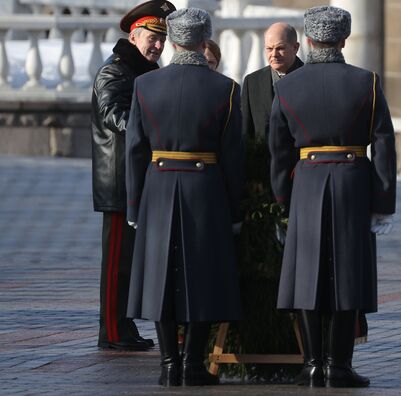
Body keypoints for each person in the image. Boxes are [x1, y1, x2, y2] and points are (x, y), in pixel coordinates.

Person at [269, 6, 396, 388]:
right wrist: (383, 201)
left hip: (306, 181)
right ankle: (339, 365)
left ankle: (312, 364)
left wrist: (282, 198)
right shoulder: (367, 82)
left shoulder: (287, 86)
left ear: (307, 41)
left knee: (306, 275)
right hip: (353, 181)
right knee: (348, 273)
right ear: (343, 40)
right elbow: (384, 145)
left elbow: (279, 149)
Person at [125, 7, 243, 387]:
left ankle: (168, 364)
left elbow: (135, 150)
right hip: (204, 186)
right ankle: (193, 363)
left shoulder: (146, 86)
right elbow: (232, 156)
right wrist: (235, 208)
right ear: (204, 41)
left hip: (158, 187)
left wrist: (133, 205)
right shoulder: (225, 89)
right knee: (203, 276)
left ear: (173, 41)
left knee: (160, 275)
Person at [91, 0, 175, 351]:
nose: (157, 45)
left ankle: (124, 327)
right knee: (116, 264)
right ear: (134, 35)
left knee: (132, 262)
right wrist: (153, 129)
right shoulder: (115, 71)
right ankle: (111, 331)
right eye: (151, 38)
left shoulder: (143, 71)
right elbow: (114, 114)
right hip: (118, 181)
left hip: (139, 178)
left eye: (161, 39)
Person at [242, 22, 303, 141]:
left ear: (295, 48)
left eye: (280, 48)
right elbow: (246, 133)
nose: (274, 54)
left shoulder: (310, 79)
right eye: (269, 48)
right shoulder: (252, 82)